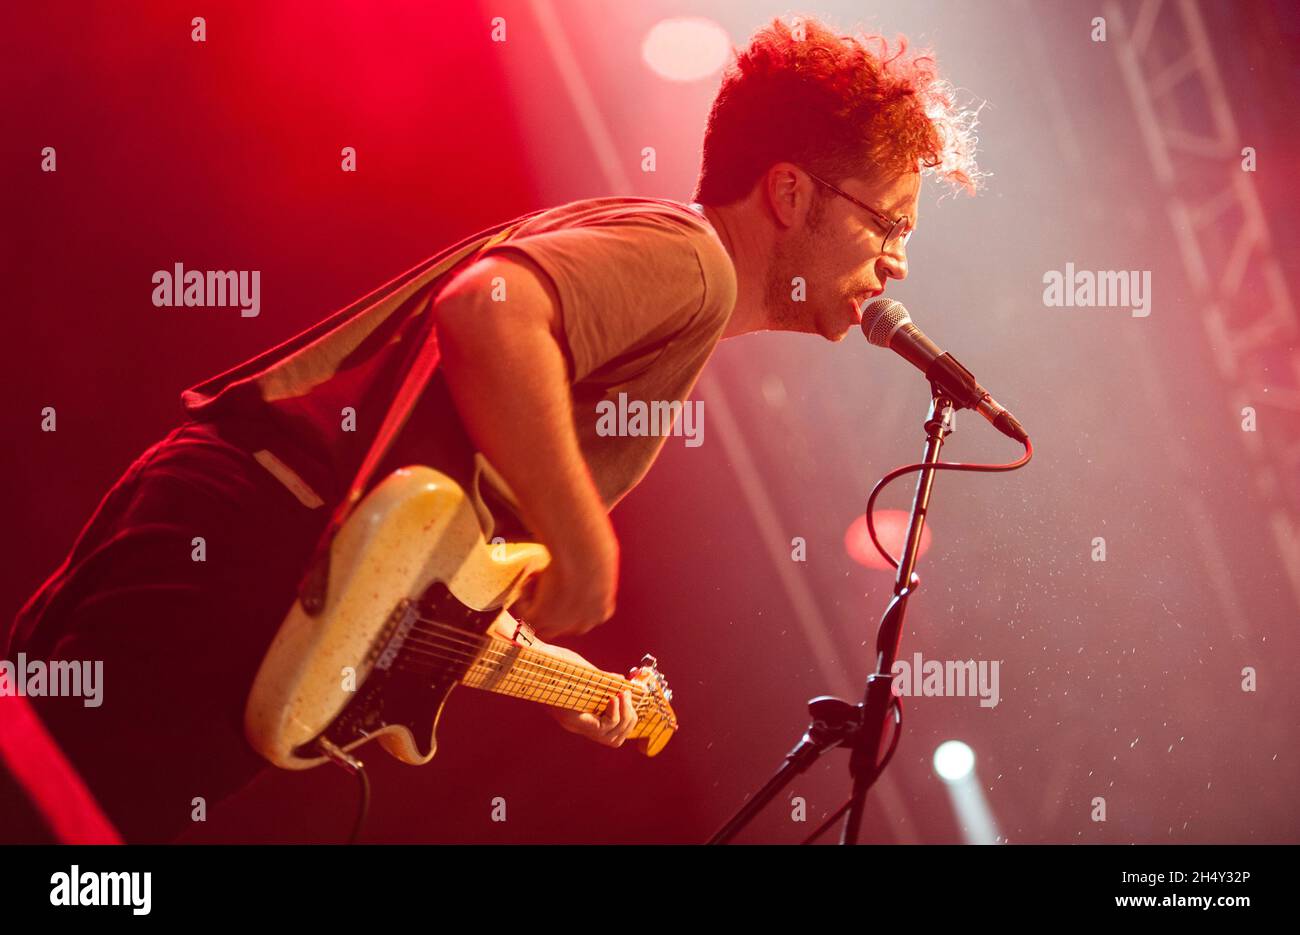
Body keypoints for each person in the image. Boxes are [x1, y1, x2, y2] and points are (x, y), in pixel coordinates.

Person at [5, 16, 979, 843]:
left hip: (253, 548)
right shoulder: (696, 262)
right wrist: (580, 535)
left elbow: (424, 567)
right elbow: (486, 309)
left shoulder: (667, 276)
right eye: (886, 223)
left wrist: (575, 685)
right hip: (254, 543)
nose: (895, 262)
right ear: (791, 191)